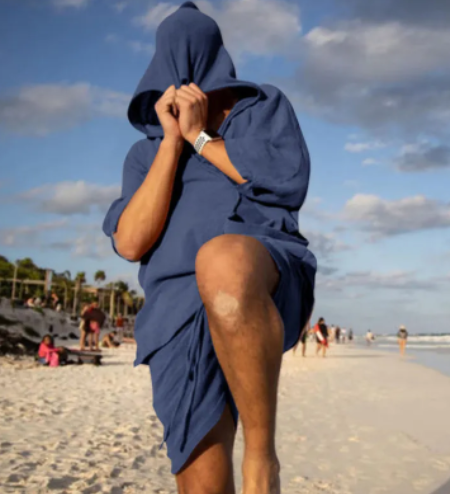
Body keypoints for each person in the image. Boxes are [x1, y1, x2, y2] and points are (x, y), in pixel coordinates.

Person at [102, 4, 316, 493]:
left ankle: (261, 459)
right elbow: (130, 242)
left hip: (259, 277)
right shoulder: (145, 154)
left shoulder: (259, 110)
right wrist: (172, 143)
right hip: (175, 313)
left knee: (220, 260)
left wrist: (200, 137)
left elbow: (286, 181)